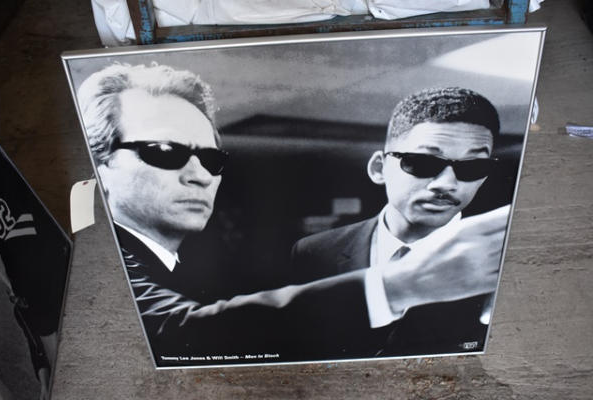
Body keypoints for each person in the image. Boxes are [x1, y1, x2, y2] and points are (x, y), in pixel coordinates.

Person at [78, 65, 507, 366]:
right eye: (163, 151)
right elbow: (182, 334)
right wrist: (400, 285)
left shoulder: (184, 263)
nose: (201, 175)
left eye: (211, 158)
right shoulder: (97, 265)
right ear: (98, 167)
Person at [290, 87, 510, 357]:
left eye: (473, 167)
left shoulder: (501, 264)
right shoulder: (313, 252)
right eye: (423, 162)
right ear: (379, 168)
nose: (447, 184)